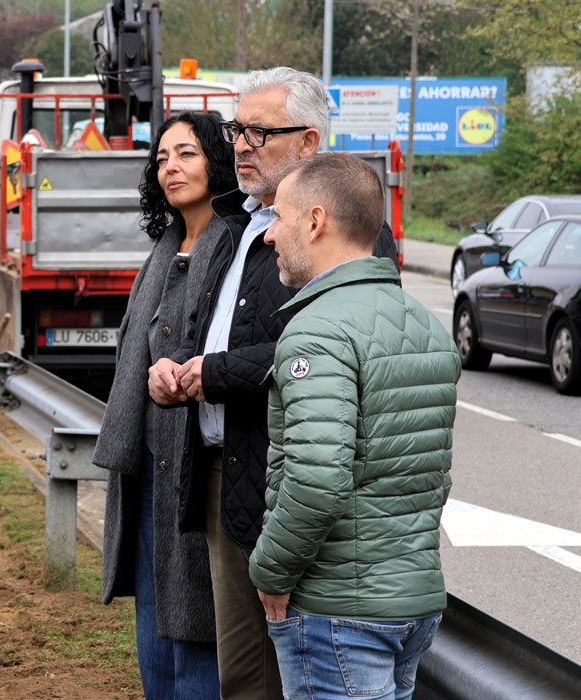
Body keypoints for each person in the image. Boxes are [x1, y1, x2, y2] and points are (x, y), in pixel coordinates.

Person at [147, 67, 398, 700]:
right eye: (237, 128)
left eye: (260, 131)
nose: (241, 144)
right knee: (245, 678)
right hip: (223, 472)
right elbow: (217, 326)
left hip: (284, 482)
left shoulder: (344, 232)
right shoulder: (239, 222)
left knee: (290, 676)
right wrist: (177, 365)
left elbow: (329, 345)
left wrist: (217, 374)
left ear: (310, 143)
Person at [250, 152, 460, 700]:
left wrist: (269, 572)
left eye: (278, 218)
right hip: (412, 602)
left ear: (315, 222)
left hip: (337, 609)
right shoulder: (422, 322)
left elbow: (318, 479)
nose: (269, 235)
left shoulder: (316, 332)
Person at [96, 111, 245, 699]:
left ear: (217, 159)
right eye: (161, 158)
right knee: (154, 640)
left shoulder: (234, 242)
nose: (170, 168)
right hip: (148, 468)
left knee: (197, 636)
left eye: (186, 154)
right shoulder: (165, 243)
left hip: (197, 468)